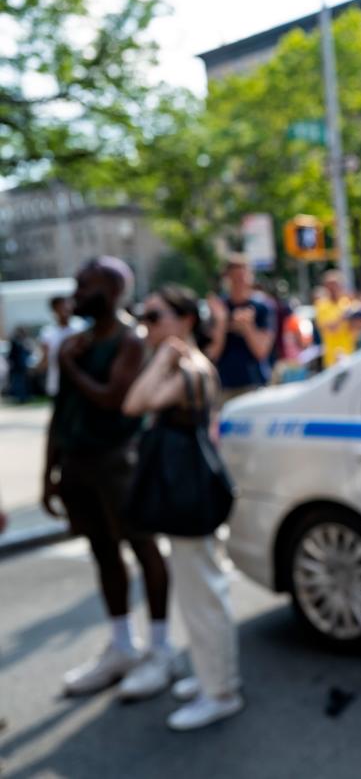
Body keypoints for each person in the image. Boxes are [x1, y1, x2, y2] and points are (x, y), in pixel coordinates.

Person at [43, 257, 173, 697]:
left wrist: (69, 365)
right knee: (102, 551)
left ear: (111, 289)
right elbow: (60, 412)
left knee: (143, 546)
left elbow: (112, 399)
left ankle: (159, 649)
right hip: (79, 463)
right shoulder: (77, 342)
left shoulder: (129, 340)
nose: (77, 292)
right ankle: (122, 645)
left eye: (85, 285)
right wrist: (49, 472)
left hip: (119, 462)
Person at [123, 284, 245, 730]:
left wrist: (159, 359)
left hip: (187, 490)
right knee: (198, 588)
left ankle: (221, 691)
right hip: (188, 487)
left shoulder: (188, 367)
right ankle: (212, 677)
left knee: (202, 593)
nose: (147, 325)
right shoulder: (190, 363)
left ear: (185, 321)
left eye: (156, 316)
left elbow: (134, 403)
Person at [205, 255, 274, 400]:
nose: (240, 283)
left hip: (255, 383)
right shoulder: (219, 308)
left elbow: (261, 351)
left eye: (243, 277)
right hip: (224, 385)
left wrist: (247, 327)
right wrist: (222, 322)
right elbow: (212, 353)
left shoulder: (262, 307)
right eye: (235, 278)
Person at [37, 296, 87, 398]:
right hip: (57, 382)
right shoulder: (47, 333)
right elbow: (45, 358)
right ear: (54, 310)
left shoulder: (81, 328)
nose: (65, 309)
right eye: (61, 307)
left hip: (80, 381)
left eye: (67, 306)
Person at [313, 269, 356, 367]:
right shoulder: (321, 305)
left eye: (335, 284)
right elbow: (328, 328)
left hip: (350, 352)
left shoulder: (347, 302)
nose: (332, 288)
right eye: (329, 285)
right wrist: (343, 317)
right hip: (331, 357)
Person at [5, 327, 32, 403]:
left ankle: (23, 397)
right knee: (18, 383)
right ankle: (21, 397)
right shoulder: (16, 342)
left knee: (22, 383)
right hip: (18, 366)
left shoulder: (23, 342)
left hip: (21, 366)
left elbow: (28, 352)